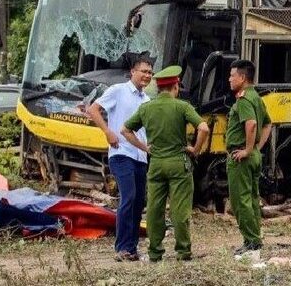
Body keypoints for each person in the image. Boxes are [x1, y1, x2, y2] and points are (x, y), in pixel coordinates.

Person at [121, 65, 210, 262]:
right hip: (178, 163)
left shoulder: (146, 108)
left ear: (159, 88)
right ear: (175, 86)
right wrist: (195, 149)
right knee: (179, 209)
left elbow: (125, 130)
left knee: (154, 209)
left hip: (156, 165)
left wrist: (144, 147)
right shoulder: (182, 106)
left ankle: (154, 251)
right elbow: (203, 128)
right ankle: (183, 251)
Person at [86, 55, 153, 262]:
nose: (147, 76)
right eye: (143, 71)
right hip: (120, 153)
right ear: (133, 71)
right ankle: (122, 247)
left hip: (140, 155)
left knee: (138, 201)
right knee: (129, 196)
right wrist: (107, 132)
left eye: (150, 73)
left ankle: (131, 248)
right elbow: (93, 109)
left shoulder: (147, 100)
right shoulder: (118, 91)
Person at [225, 59, 272, 257]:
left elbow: (252, 124)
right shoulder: (257, 97)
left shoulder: (244, 99)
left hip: (240, 157)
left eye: (232, 75)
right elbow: (268, 124)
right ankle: (254, 239)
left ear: (243, 78)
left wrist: (247, 149)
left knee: (240, 201)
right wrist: (256, 148)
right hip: (253, 156)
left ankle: (251, 242)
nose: (229, 79)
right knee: (252, 199)